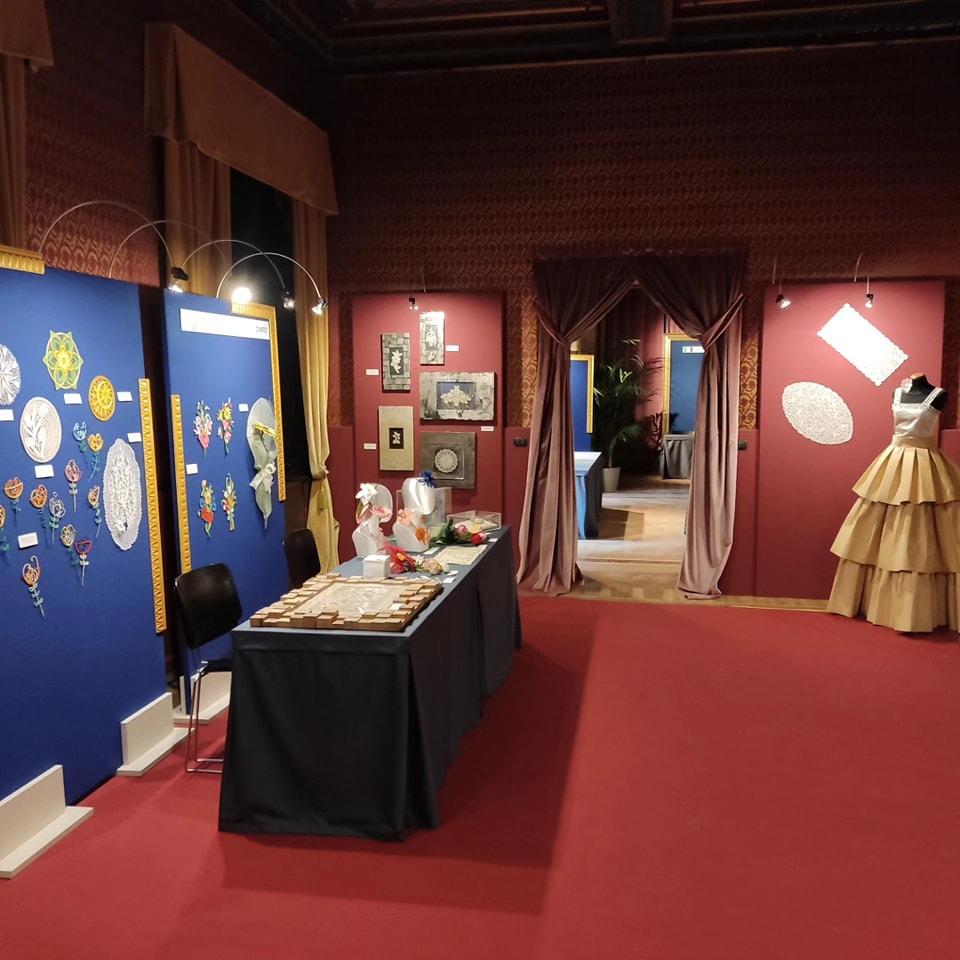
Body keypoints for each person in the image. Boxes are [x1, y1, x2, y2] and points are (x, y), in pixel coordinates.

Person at [827, 373, 960, 632]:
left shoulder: (939, 394)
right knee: (876, 531)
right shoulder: (897, 393)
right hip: (893, 461)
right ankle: (871, 603)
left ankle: (916, 610)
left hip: (926, 463)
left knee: (920, 528)